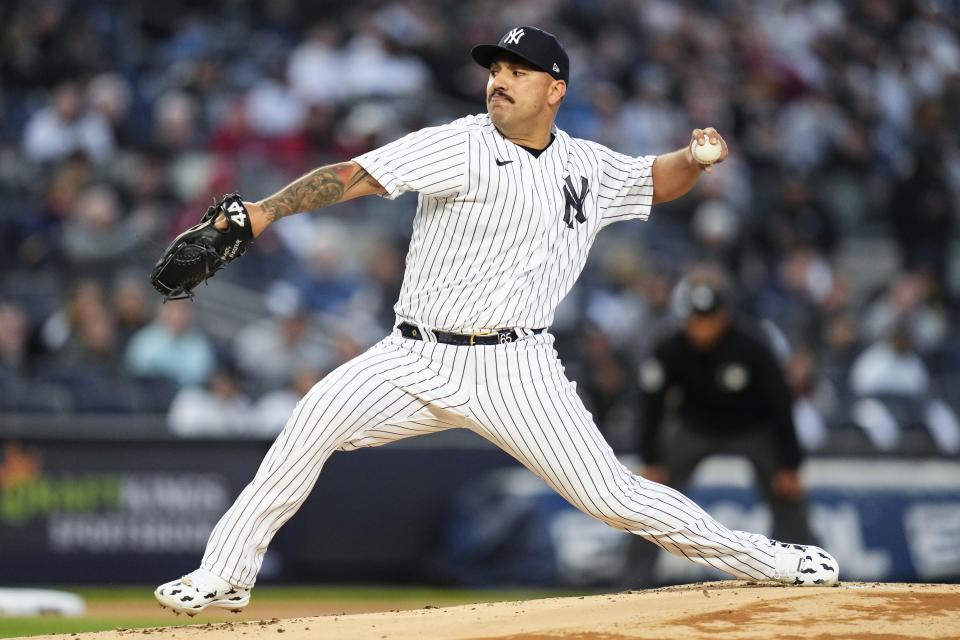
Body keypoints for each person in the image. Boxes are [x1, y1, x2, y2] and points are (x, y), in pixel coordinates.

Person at [155, 26, 839, 616]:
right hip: (414, 355)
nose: (500, 82)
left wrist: (693, 159)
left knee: (614, 497)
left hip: (519, 368)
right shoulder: (462, 144)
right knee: (312, 420)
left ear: (556, 90)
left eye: (518, 72)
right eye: (496, 71)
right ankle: (226, 575)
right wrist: (264, 213)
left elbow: (655, 180)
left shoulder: (586, 166)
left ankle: (769, 561)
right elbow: (357, 174)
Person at [625, 269, 817, 586]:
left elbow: (782, 405)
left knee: (787, 494)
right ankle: (632, 580)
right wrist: (650, 459)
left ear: (723, 317)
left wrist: (790, 464)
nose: (702, 328)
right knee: (652, 497)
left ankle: (805, 569)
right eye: (696, 320)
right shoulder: (670, 349)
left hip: (752, 429)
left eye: (709, 319)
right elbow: (651, 406)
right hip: (694, 428)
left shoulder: (752, 346)